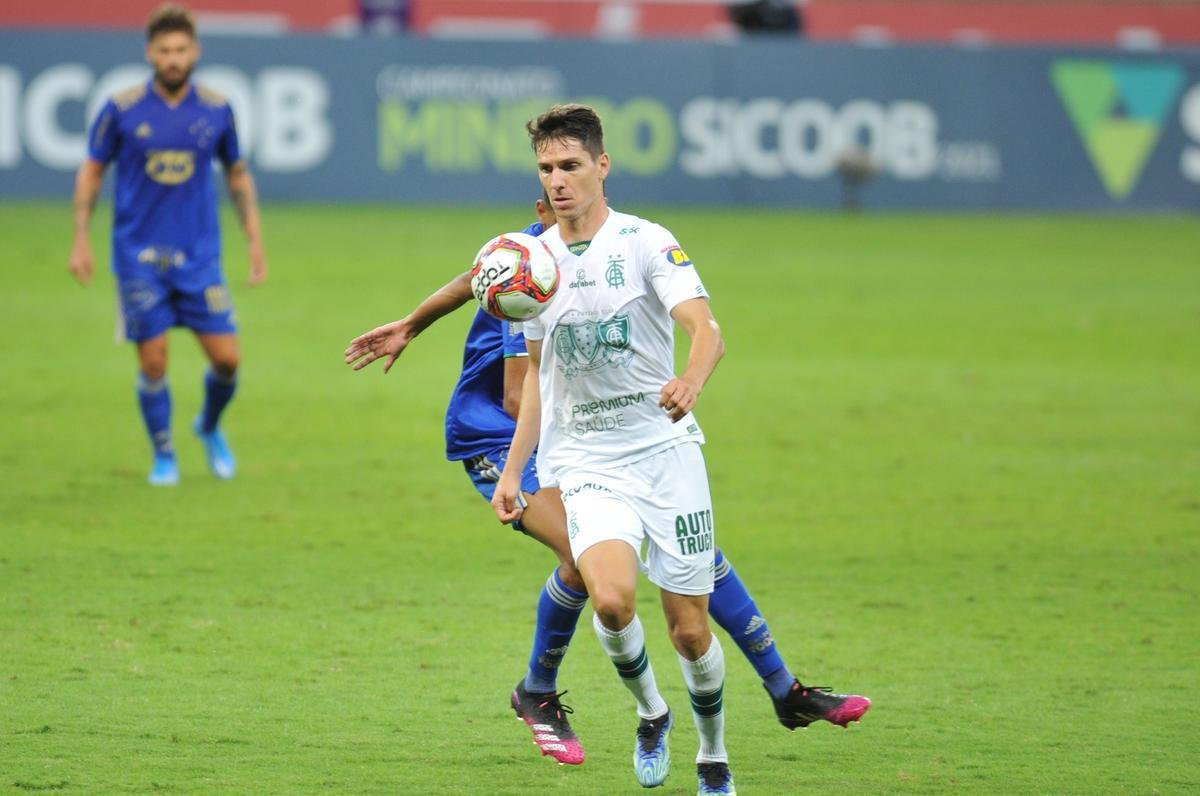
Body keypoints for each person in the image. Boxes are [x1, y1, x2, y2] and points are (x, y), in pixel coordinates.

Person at [347, 192, 870, 776]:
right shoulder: (530, 271)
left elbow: (464, 282)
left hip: (588, 431)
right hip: (502, 434)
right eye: (550, 197)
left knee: (684, 553)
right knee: (586, 558)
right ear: (540, 213)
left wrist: (414, 325)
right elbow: (520, 393)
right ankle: (537, 692)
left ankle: (782, 689)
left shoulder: (589, 248)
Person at [68, 3, 268, 486]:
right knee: (154, 361)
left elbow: (237, 175)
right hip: (139, 257)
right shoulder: (122, 107)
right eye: (164, 51)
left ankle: (208, 425)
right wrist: (80, 239)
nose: (173, 58)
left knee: (227, 359)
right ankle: (164, 456)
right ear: (150, 53)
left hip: (199, 258)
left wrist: (255, 241)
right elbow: (93, 169)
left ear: (194, 52)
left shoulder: (217, 109)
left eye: (181, 49)